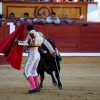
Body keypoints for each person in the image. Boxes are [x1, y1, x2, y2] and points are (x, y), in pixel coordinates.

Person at [14, 24, 56, 94]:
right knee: (33, 70)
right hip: (38, 55)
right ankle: (37, 86)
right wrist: (52, 52)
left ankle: (33, 87)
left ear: (28, 30)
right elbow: (47, 43)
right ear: (34, 28)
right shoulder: (39, 34)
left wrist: (18, 41)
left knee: (26, 71)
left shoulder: (30, 34)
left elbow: (28, 43)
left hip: (32, 55)